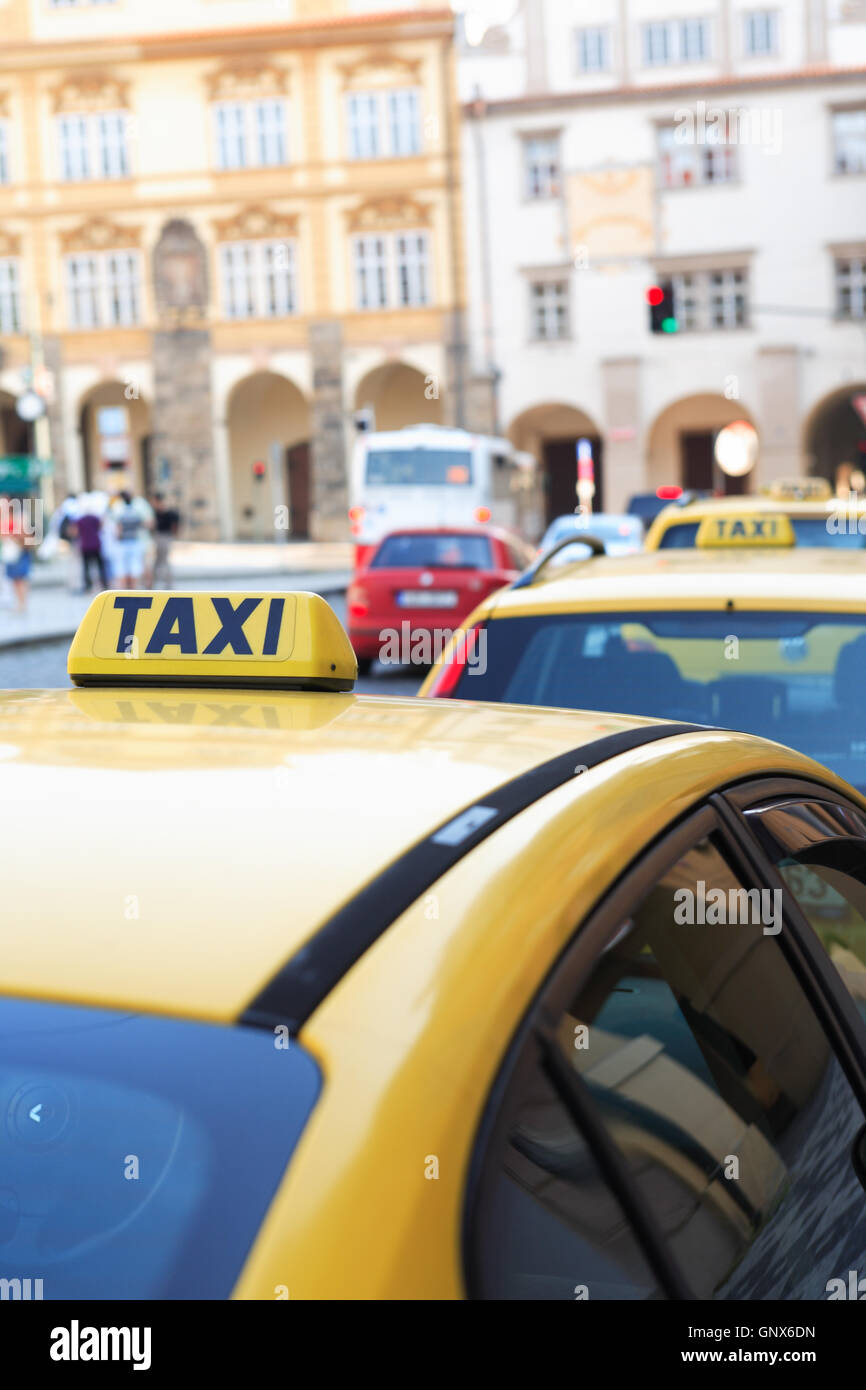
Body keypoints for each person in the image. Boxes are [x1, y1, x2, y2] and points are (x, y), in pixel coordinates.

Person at [110, 490, 153, 590]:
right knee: (135, 567)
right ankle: (133, 589)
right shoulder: (136, 512)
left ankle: (124, 589)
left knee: (122, 568)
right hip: (135, 541)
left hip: (123, 542)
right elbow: (145, 524)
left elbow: (117, 529)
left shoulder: (119, 512)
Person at [0, 499, 37, 614]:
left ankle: (22, 603)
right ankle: (20, 603)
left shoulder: (19, 519)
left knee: (20, 579)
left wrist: (13, 538)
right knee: (16, 580)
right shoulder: (9, 519)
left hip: (19, 553)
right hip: (13, 553)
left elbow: (25, 537)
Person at [74, 492, 109, 592]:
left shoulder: (80, 520)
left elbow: (76, 532)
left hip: (85, 545)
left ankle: (88, 586)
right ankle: (104, 584)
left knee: (86, 567)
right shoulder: (95, 518)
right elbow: (101, 526)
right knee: (100, 566)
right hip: (96, 544)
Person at [148, 493, 180, 588]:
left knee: (163, 561)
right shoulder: (156, 512)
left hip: (164, 537)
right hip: (159, 537)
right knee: (158, 561)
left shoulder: (167, 512)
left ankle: (167, 583)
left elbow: (174, 526)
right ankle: (153, 583)